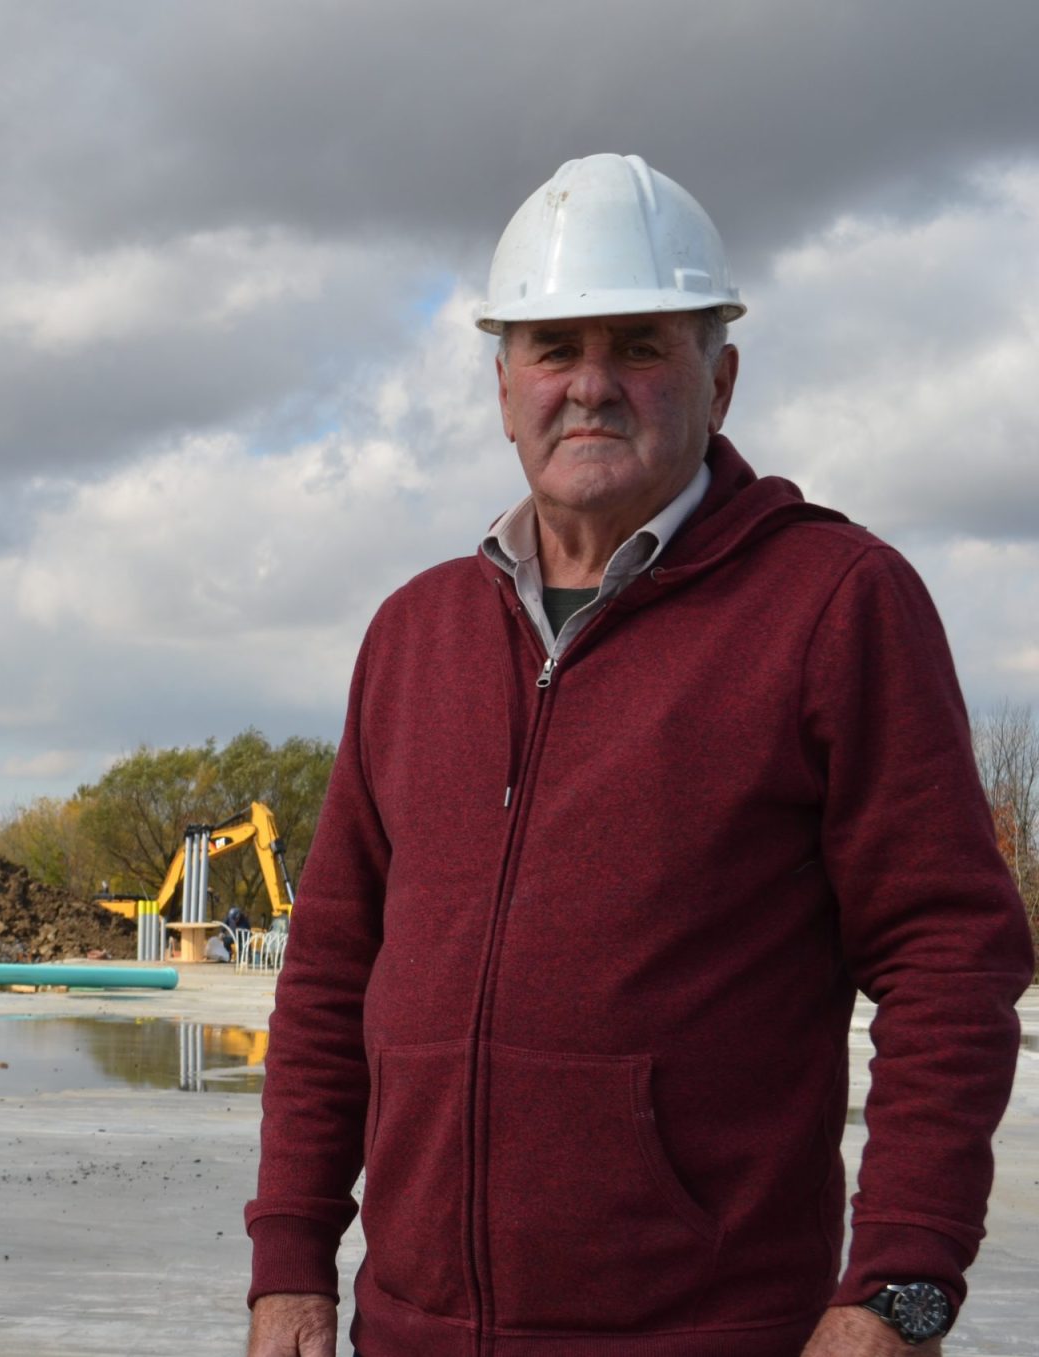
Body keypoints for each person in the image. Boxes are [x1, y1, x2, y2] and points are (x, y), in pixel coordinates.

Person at [244, 155, 1034, 1357]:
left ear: (719, 379)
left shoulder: (834, 604)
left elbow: (948, 961)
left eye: (641, 346)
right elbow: (329, 974)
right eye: (553, 348)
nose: (591, 385)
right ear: (501, 383)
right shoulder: (415, 632)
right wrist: (289, 1263)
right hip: (405, 1336)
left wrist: (896, 1287)